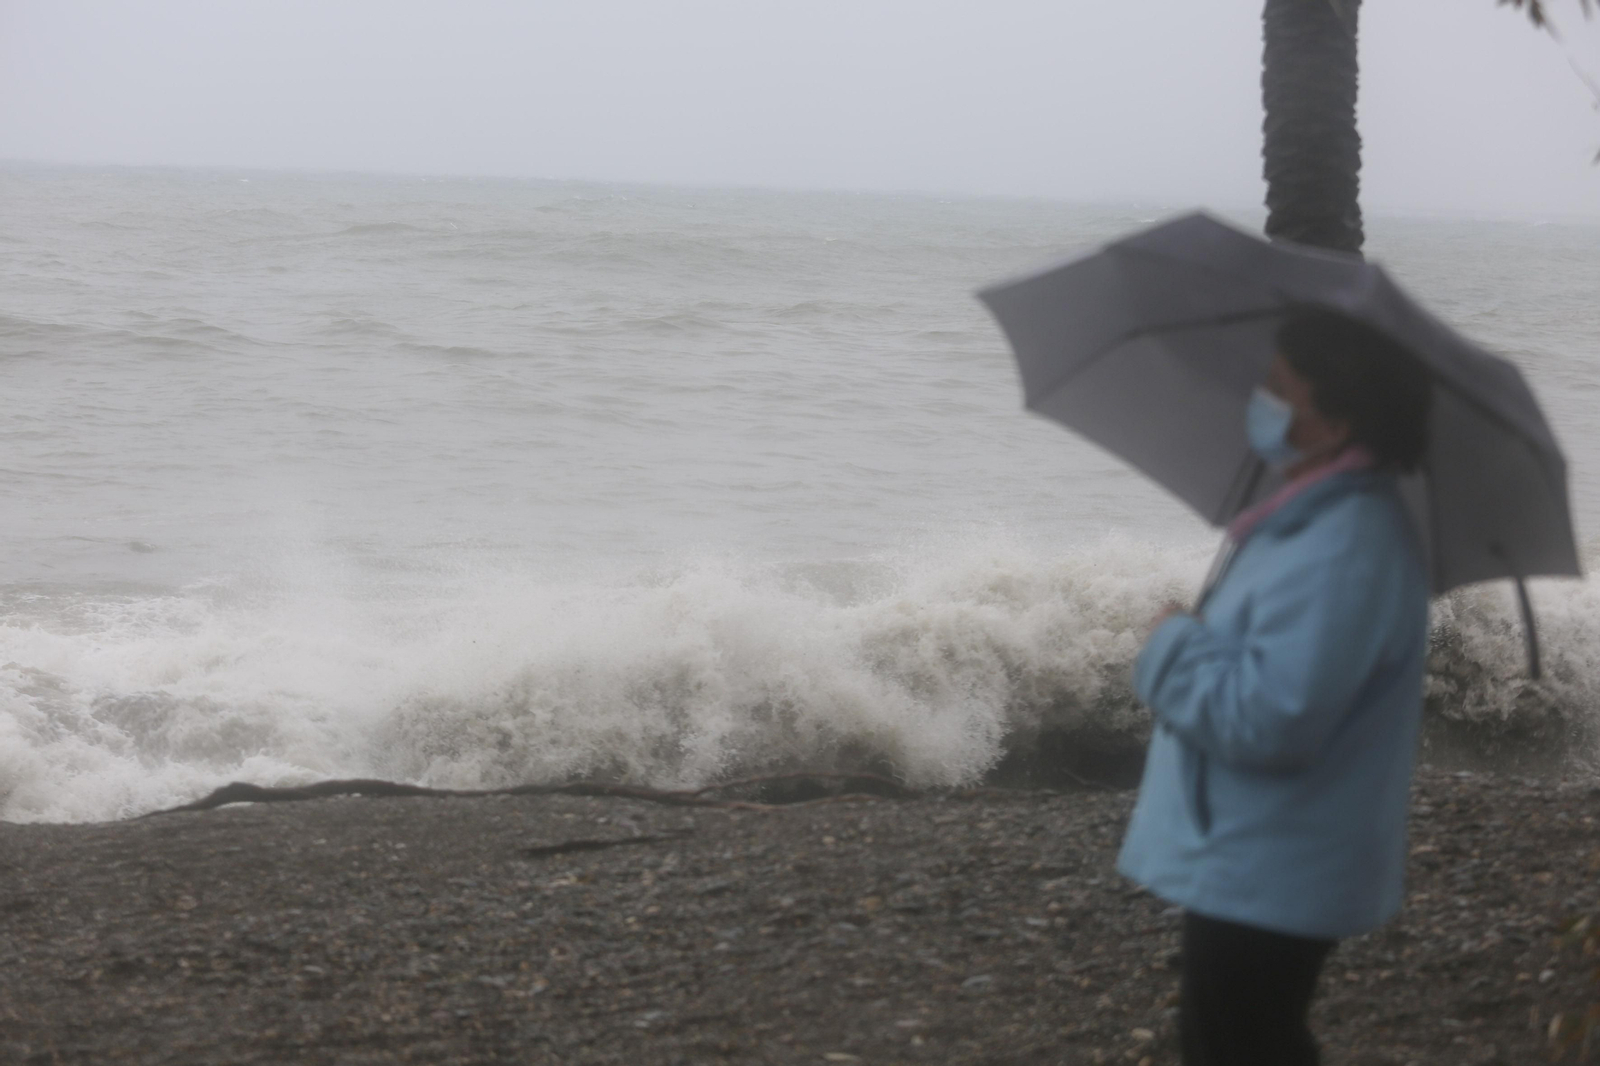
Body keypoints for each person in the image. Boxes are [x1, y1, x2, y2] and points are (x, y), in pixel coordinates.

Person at [1117, 306, 1434, 1066]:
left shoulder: (1344, 546)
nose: (1257, 399)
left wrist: (1170, 649)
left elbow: (1274, 720)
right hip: (1260, 855)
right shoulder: (1311, 524)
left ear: (1333, 419)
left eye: (1278, 387)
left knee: (1239, 1046)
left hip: (1271, 864)